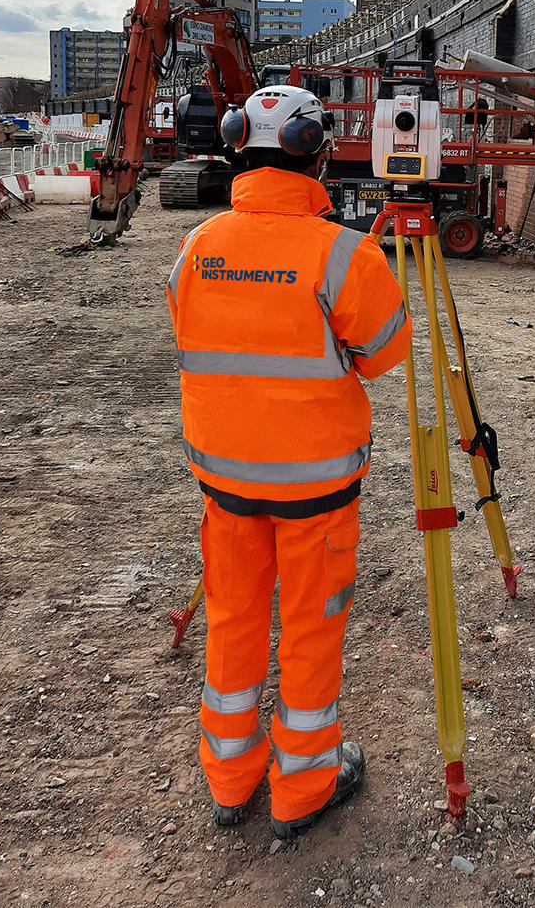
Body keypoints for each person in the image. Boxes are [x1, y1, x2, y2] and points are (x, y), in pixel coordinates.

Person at [166, 84, 411, 839]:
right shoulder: (345, 252)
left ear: (240, 142)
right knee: (309, 631)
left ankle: (231, 779)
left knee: (234, 622)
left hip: (227, 487)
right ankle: (302, 789)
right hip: (316, 493)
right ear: (316, 150)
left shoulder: (199, 245)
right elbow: (385, 354)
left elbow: (188, 325)